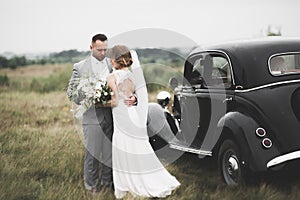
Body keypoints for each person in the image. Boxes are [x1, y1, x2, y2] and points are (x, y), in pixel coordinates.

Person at [107, 45, 180, 199]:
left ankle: (127, 184)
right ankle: (148, 177)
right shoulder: (132, 76)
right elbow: (134, 95)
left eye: (111, 57)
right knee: (137, 145)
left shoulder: (112, 77)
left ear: (115, 60)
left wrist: (98, 103)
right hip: (132, 113)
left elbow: (114, 101)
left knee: (123, 144)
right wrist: (134, 99)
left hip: (121, 116)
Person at [67, 34, 135, 193]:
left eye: (106, 49)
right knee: (92, 155)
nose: (103, 53)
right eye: (99, 50)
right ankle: (91, 188)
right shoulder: (80, 67)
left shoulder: (113, 64)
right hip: (91, 118)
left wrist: (135, 99)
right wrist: (88, 94)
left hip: (113, 117)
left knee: (109, 154)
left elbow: (128, 86)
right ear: (91, 47)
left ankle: (108, 185)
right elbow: (71, 93)